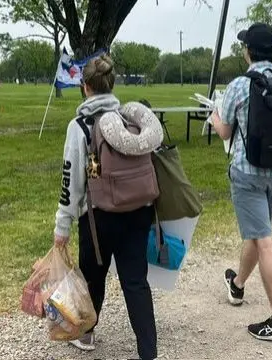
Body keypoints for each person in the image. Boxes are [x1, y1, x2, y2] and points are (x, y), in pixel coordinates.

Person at [52, 54, 159, 360]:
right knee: (135, 281)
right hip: (139, 209)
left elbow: (71, 178)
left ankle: (86, 335)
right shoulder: (131, 119)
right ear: (112, 85)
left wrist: (63, 225)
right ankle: (148, 352)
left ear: (85, 87)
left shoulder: (81, 126)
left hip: (99, 218)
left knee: (92, 277)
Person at [210, 22, 272, 345]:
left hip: (248, 173)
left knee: (264, 241)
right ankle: (237, 285)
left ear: (248, 51)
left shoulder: (239, 84)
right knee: (259, 231)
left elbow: (226, 132)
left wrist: (214, 118)